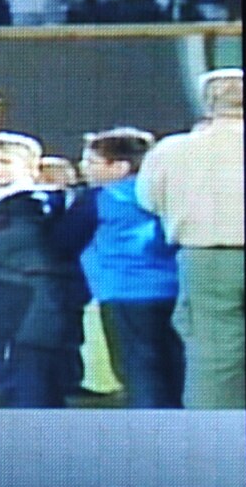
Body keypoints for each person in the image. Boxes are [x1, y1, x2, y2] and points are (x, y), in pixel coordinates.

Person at [134, 67, 246, 410]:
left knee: (214, 359)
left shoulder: (173, 150)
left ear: (207, 101)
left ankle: (212, 444)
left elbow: (147, 200)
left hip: (207, 260)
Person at [57, 128, 185, 407]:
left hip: (124, 291)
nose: (83, 168)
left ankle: (151, 434)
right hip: (175, 289)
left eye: (92, 162)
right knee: (175, 365)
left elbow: (64, 241)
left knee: (138, 367)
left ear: (120, 167)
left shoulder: (101, 198)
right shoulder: (170, 192)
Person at [0, 133, 77, 407]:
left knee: (30, 370)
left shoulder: (36, 204)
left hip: (29, 298)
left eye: (5, 161)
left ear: (30, 167)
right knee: (4, 370)